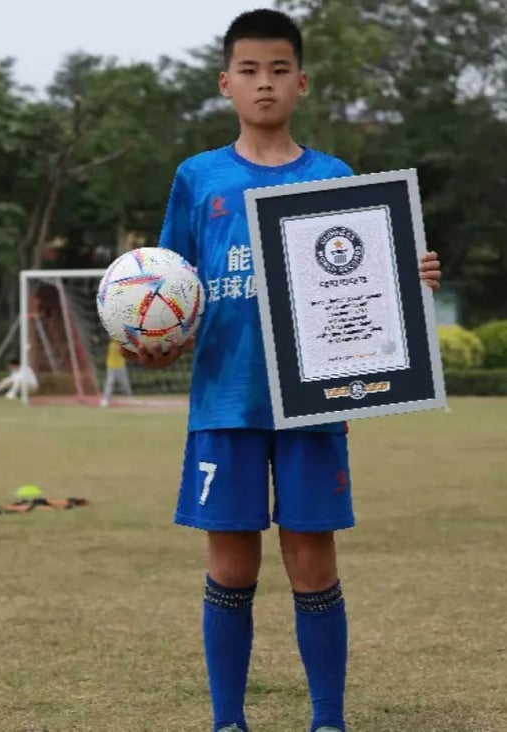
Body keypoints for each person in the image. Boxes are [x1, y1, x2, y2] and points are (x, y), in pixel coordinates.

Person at [126, 10, 442, 732]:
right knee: (231, 567)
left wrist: (410, 273)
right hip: (225, 402)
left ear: (301, 82)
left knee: (312, 564)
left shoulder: (333, 177)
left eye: (278, 69)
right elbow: (169, 292)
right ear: (225, 83)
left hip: (313, 402)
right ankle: (228, 721)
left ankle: (328, 720)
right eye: (249, 70)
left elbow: (365, 289)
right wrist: (153, 340)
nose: (263, 83)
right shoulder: (198, 177)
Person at [100, 339, 132, 407]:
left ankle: (128, 396)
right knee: (110, 382)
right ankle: (105, 399)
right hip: (111, 366)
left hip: (121, 366)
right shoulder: (112, 345)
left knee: (124, 383)